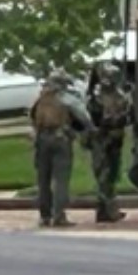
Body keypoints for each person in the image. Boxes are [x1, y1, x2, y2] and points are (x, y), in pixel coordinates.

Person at [29, 70, 93, 229]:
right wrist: (89, 129)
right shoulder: (66, 98)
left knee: (43, 180)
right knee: (61, 180)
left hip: (41, 140)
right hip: (61, 140)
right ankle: (59, 216)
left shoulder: (40, 100)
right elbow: (84, 117)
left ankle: (45, 216)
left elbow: (32, 116)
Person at [87, 61, 134, 223]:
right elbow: (94, 118)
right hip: (102, 139)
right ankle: (105, 210)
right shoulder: (96, 96)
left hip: (115, 138)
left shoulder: (120, 95)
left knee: (112, 175)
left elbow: (127, 115)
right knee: (103, 176)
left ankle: (109, 209)